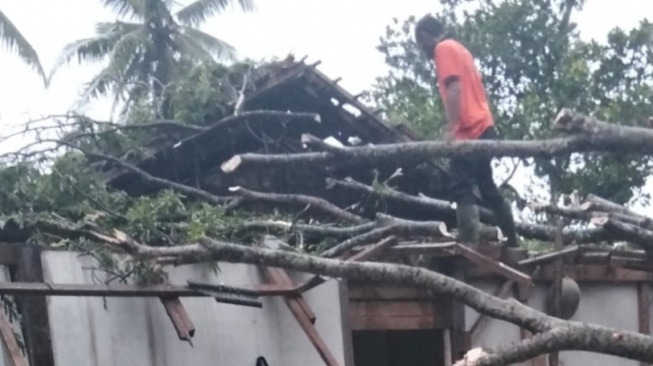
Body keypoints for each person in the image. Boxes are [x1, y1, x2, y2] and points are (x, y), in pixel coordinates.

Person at [414, 14, 519, 248]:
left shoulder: (443, 49)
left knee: (460, 185)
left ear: (425, 37)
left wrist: (453, 127)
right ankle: (513, 242)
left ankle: (469, 245)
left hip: (469, 130)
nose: (423, 50)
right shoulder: (460, 50)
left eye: (421, 44)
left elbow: (454, 87)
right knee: (486, 187)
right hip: (484, 125)